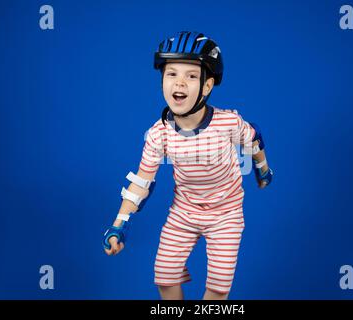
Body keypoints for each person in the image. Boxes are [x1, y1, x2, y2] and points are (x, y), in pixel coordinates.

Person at [103, 31, 274, 300]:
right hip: (184, 212)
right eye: (171, 74)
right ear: (162, 80)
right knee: (165, 276)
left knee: (218, 288)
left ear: (207, 86)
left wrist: (262, 168)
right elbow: (141, 183)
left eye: (191, 76)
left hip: (225, 213)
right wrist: (118, 224)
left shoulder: (227, 123)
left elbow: (254, 139)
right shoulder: (159, 134)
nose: (179, 82)